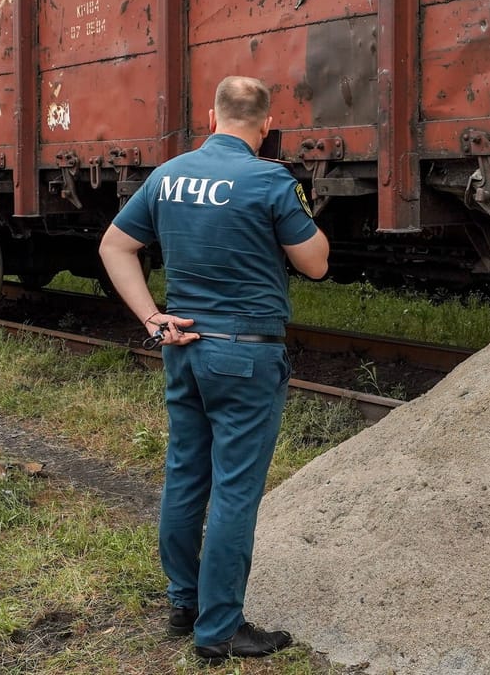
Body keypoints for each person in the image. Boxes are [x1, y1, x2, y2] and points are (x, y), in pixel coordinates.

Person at [99, 75, 329, 661]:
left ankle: (185, 602)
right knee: (233, 491)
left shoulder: (168, 175)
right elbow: (316, 264)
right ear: (267, 125)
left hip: (183, 346)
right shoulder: (271, 179)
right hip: (246, 354)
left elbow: (114, 246)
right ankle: (220, 628)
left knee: (185, 475)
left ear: (211, 116)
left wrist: (153, 318)